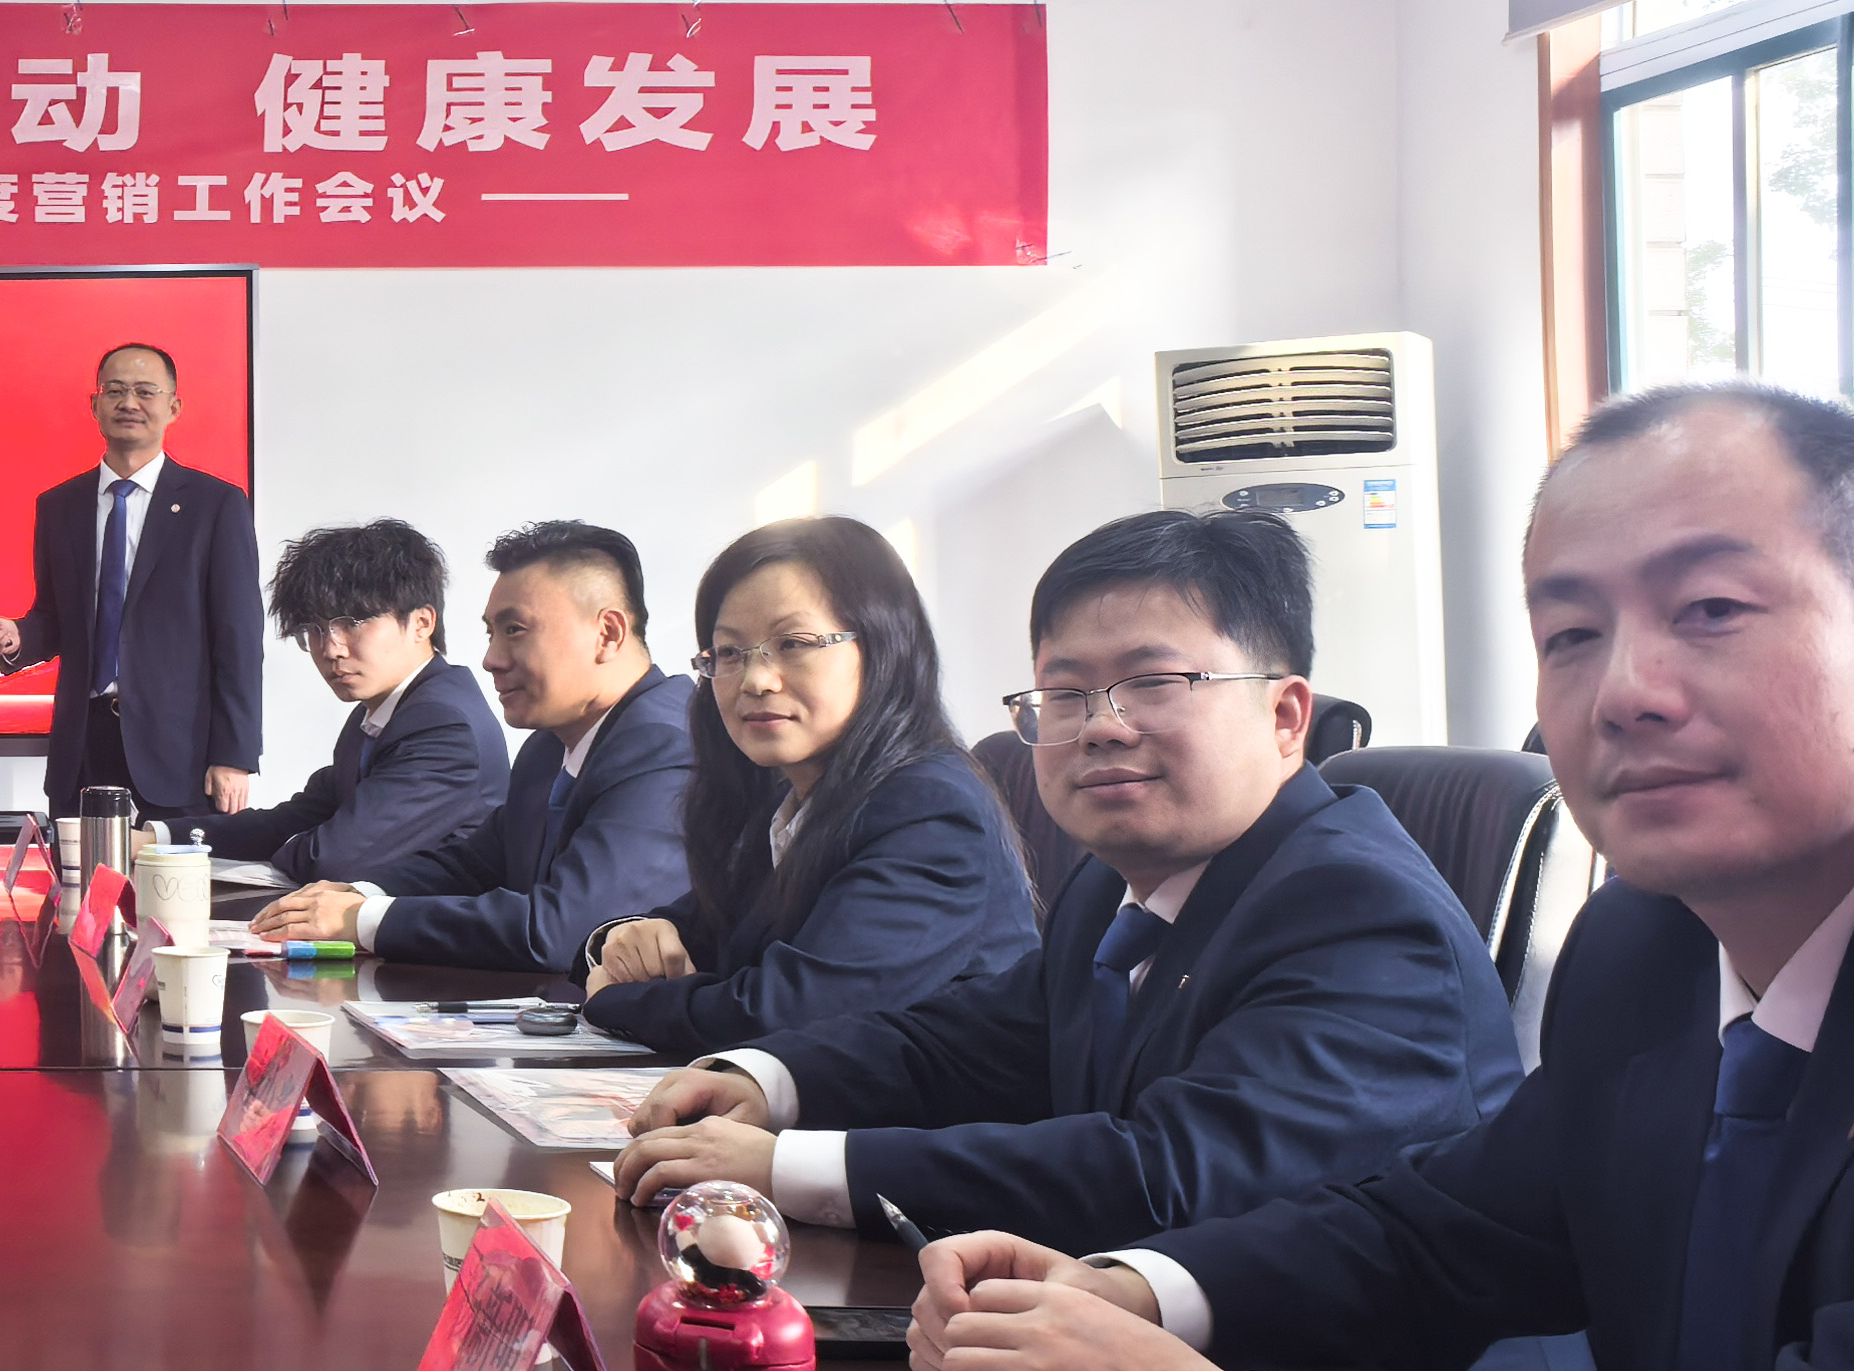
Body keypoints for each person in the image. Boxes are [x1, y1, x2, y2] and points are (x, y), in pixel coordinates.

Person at [915, 383, 1854, 1371]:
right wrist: (1132, 1291)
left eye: (1712, 610)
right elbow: (1440, 1233)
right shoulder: (1646, 949)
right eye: (1571, 635)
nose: (1625, 692)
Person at [616, 506, 1509, 1249]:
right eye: (1067, 691)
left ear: (1285, 716)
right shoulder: (1113, 888)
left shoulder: (1359, 912)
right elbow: (966, 1044)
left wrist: (793, 1167)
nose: (1101, 726)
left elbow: (1168, 1176)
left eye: (1153, 683)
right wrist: (768, 1080)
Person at [579, 515, 1035, 1055]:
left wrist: (616, 1001)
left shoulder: (929, 807)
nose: (755, 680)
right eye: (729, 652)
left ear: (883, 646)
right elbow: (700, 927)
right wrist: (625, 938)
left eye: (794, 643)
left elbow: (794, 1014)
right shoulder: (787, 800)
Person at [250, 520, 691, 975]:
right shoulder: (547, 746)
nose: (490, 659)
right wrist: (359, 894)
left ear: (608, 634)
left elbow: (562, 931)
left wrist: (363, 921)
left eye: (515, 629)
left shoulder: (665, 746)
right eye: (490, 633)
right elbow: (472, 865)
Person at [0, 341, 263, 825]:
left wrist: (235, 755)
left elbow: (239, 638)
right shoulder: (60, 506)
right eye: (116, 390)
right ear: (95, 405)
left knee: (172, 875)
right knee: (78, 873)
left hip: (178, 754)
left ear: (173, 407)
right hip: (83, 746)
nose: (129, 403)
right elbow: (54, 617)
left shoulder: (215, 505)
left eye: (145, 391)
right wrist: (19, 636)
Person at [199, 519, 507, 883]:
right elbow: (300, 816)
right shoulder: (382, 710)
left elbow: (334, 859)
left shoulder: (442, 723)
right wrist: (163, 837)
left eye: (353, 623)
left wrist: (288, 847)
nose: (332, 649)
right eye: (314, 630)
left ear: (422, 623)